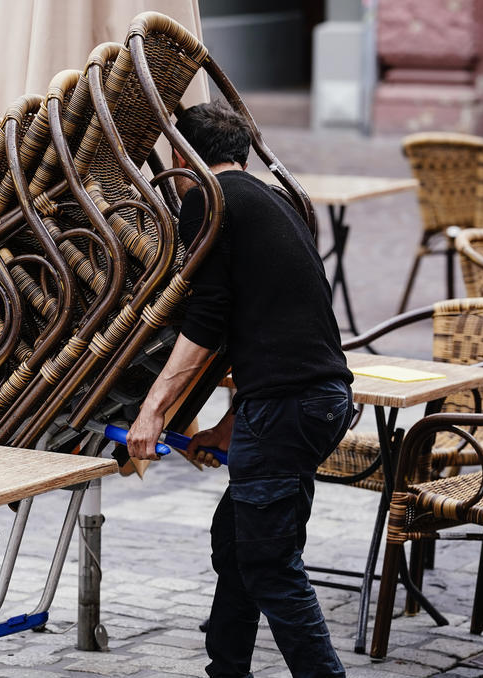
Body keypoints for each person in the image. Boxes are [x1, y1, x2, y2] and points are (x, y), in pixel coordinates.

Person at [126, 101, 353, 678]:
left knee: (270, 565)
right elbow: (263, 331)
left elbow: (208, 321)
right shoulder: (271, 198)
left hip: (291, 407)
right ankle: (226, 668)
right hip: (310, 403)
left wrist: (153, 413)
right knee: (237, 543)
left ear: (184, 158)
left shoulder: (209, 195)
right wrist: (229, 427)